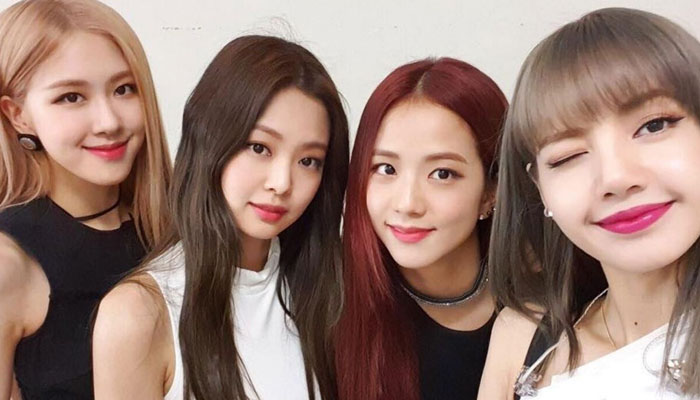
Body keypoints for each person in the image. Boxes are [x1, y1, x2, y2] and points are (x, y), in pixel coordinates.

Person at [93, 35, 349, 400]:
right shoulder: (137, 316)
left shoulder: (330, 291)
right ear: (210, 141)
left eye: (308, 161)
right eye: (259, 148)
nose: (281, 183)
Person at [478, 7, 700, 400]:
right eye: (567, 157)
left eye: (654, 125)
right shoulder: (523, 345)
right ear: (540, 188)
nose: (616, 178)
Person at [0, 0, 171, 398]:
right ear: (18, 115)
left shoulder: (175, 229)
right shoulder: (9, 265)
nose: (109, 121)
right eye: (71, 97)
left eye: (124, 89)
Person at [335, 58, 507, 400]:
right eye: (386, 168)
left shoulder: (547, 302)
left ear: (492, 191)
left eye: (442, 173)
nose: (407, 203)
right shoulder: (329, 307)